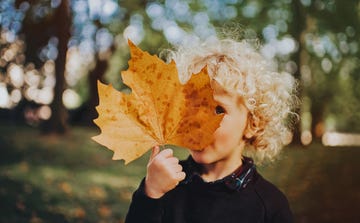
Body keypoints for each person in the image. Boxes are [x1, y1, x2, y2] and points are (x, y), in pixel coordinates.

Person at [125, 36, 298, 223]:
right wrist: (152, 193)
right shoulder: (166, 183)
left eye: (218, 109)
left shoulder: (270, 205)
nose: (198, 120)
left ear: (253, 124)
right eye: (190, 106)